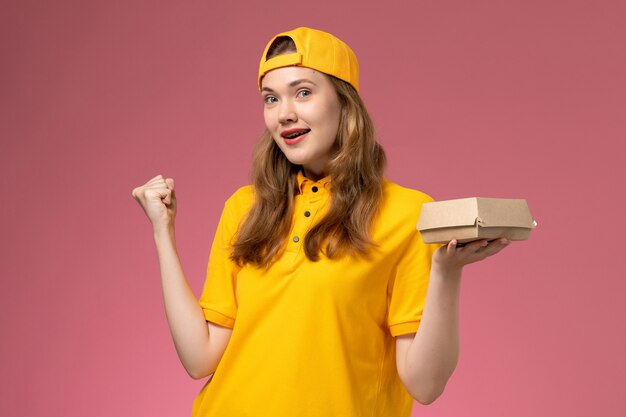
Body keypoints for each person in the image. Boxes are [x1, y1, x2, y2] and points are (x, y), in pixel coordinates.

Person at [132, 27, 509, 417]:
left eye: (304, 92)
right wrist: (163, 231)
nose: (284, 113)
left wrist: (446, 274)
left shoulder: (407, 213)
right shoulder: (244, 208)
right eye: (271, 98)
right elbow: (199, 358)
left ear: (345, 102)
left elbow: (425, 385)